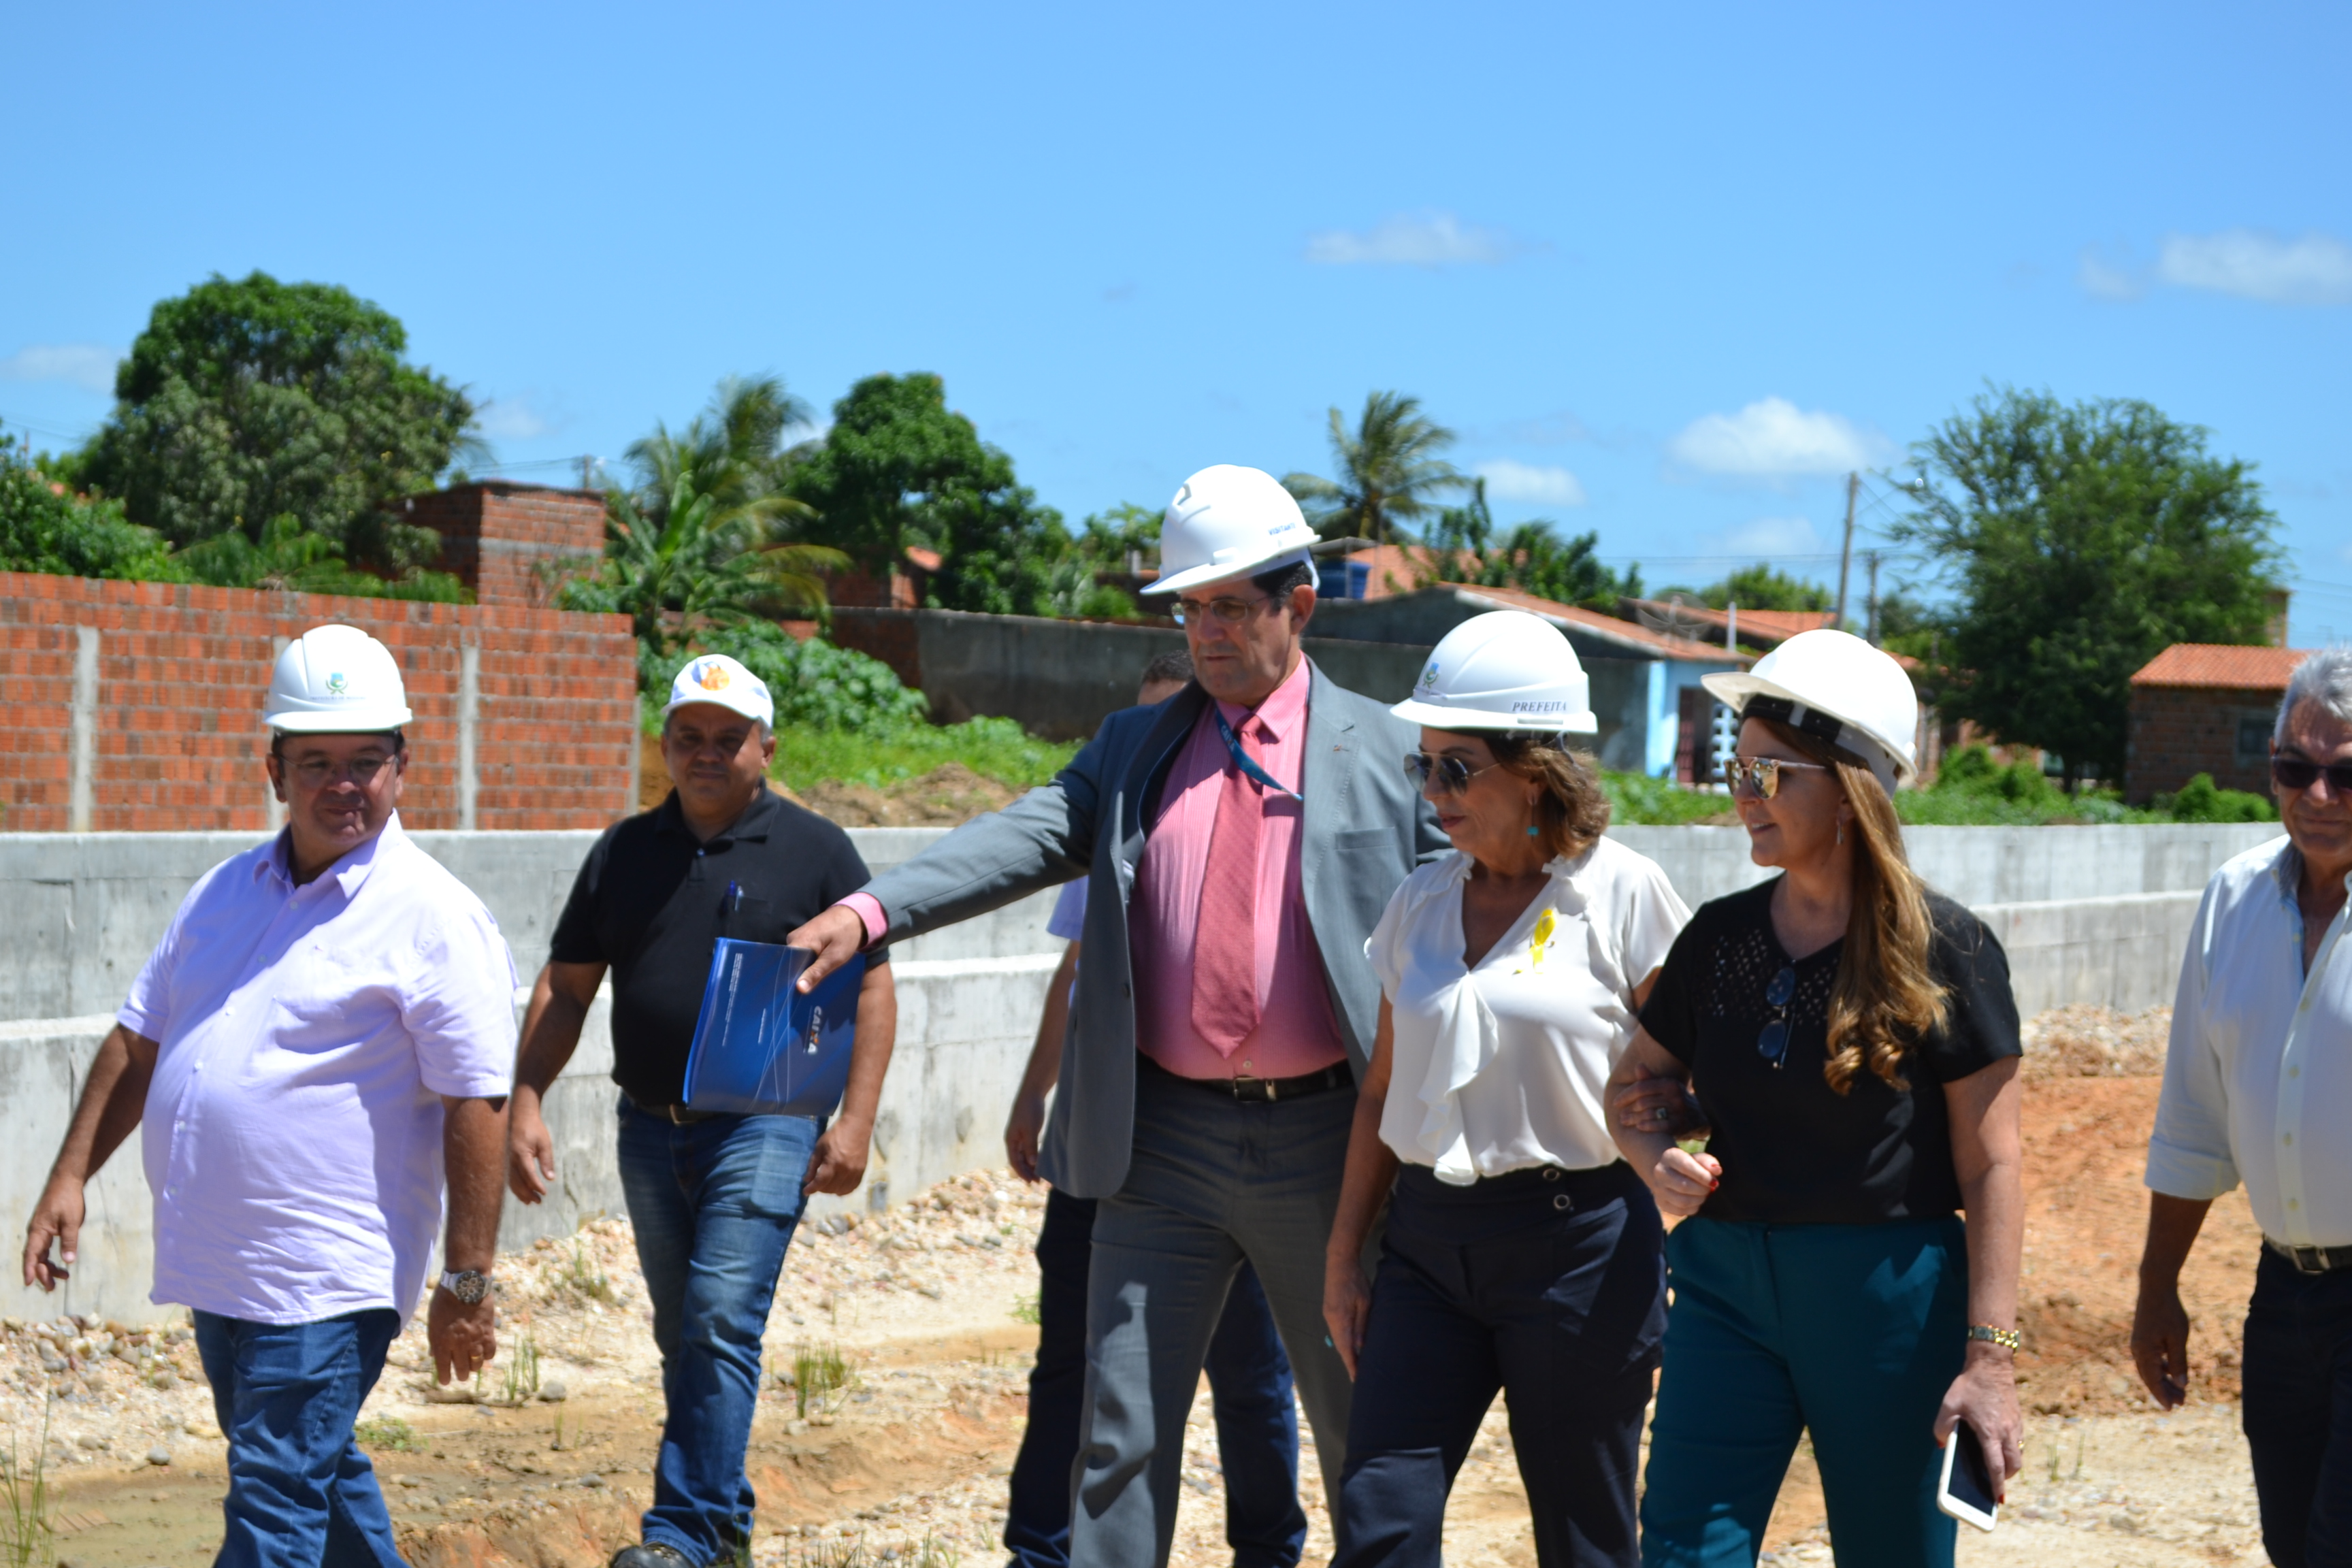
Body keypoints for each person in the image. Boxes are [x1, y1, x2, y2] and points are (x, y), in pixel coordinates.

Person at [789, 463, 1446, 1568]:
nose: (1206, 632)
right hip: (1161, 1146)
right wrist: (870, 910)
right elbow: (1020, 834)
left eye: (1232, 606)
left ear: (1303, 603)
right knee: (1121, 1436)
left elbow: (1484, 903)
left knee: (1361, 1437)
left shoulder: (1389, 754)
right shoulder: (1136, 748)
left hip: (1331, 1145)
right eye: (1190, 609)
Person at [20, 623, 518, 1568]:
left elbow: (476, 1103)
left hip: (327, 1273)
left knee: (275, 1500)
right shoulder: (224, 891)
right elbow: (139, 1040)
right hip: (221, 1262)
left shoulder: (434, 917)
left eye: (366, 761)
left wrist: (467, 1280)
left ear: (402, 767)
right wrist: (70, 1175)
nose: (343, 783)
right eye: (316, 760)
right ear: (273, 768)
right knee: (307, 1476)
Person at [1605, 629, 2025, 1568]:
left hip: (1888, 1302)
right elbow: (1636, 1083)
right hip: (1722, 1288)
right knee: (1680, 1549)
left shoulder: (1947, 950)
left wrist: (1988, 1360)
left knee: (1892, 1554)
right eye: (1735, 768)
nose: (1741, 795)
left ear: (1850, 787)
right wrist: (1654, 1157)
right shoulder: (1717, 939)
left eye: (1769, 773)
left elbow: (1993, 1162)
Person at [505, 654, 899, 1568]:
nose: (707, 754)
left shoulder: (820, 852)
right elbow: (567, 989)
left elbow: (874, 993)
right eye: (689, 737)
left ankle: (677, 1537)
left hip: (767, 1122)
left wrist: (856, 1124)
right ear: (667, 748)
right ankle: (720, 1531)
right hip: (650, 1128)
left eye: (729, 740)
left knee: (721, 1316)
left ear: (766, 748)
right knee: (687, 1331)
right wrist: (526, 1096)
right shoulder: (624, 851)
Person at [1322, 611, 1690, 1568]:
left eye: (1458, 766)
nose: (1434, 791)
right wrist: (1342, 1256)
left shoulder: (1623, 894)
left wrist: (1684, 1167)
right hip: (1426, 1252)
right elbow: (1381, 1093)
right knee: (1379, 1520)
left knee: (1585, 1537)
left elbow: (1692, 1071)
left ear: (1536, 772)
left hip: (1580, 1252)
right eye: (1424, 765)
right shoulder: (1419, 901)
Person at [1004, 649, 1308, 1568]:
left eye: (1180, 719)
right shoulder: (1114, 817)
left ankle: (1267, 1547)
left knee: (1251, 1372)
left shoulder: (1266, 824)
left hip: (1224, 1136)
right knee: (1072, 1359)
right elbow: (1075, 971)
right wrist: (1033, 1095)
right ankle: (1041, 1546)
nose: (1161, 743)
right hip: (1104, 1132)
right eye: (1142, 724)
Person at [2133, 645, 2352, 1568]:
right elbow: (2193, 1119)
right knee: (2290, 1541)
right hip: (2284, 1296)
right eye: (2296, 769)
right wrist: (2156, 1290)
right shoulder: (2233, 901)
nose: (2319, 795)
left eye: (2348, 774)